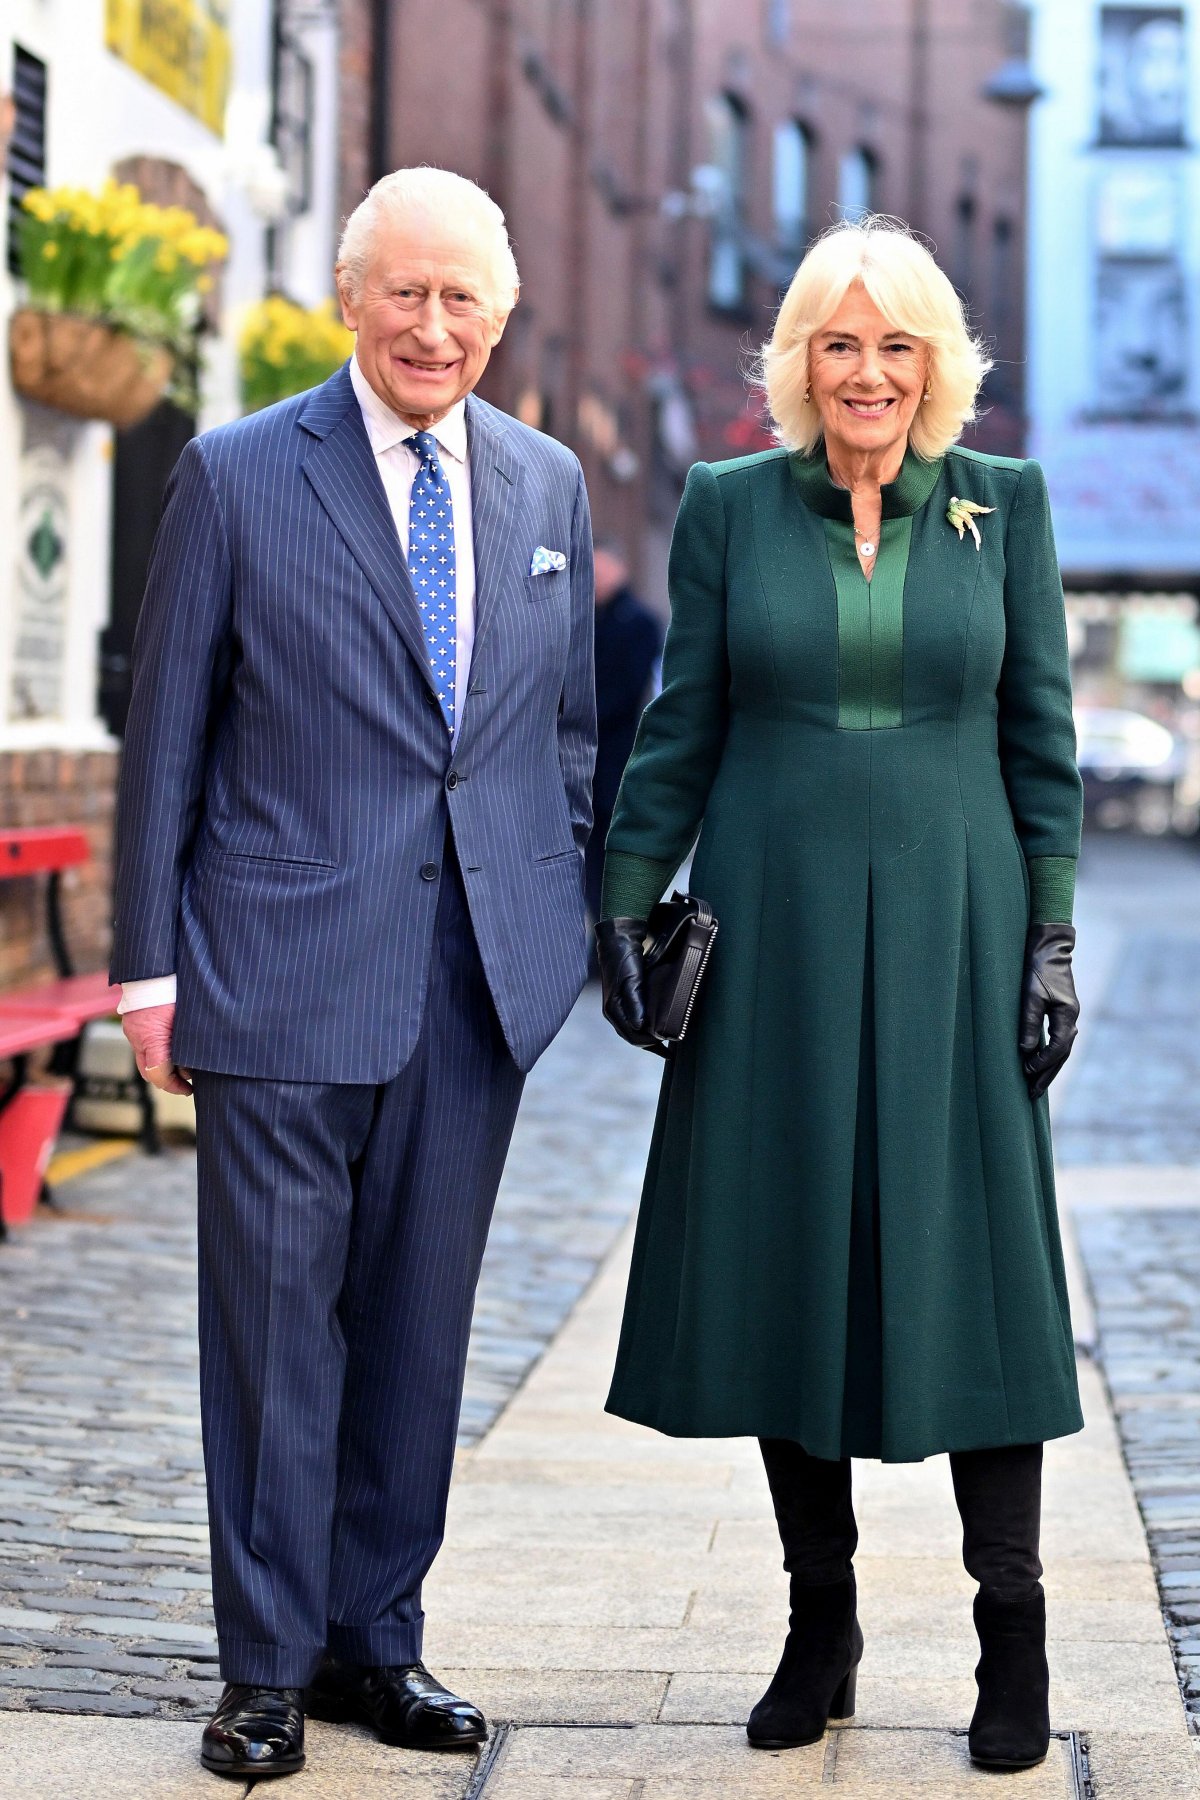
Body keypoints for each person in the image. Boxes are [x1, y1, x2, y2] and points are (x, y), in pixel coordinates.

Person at [112, 166, 595, 1781]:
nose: (436, 326)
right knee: (273, 1331)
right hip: (276, 975)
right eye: (408, 292)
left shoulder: (546, 487)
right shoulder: (240, 476)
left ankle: (373, 1644)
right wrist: (141, 972)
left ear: (502, 314)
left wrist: (557, 911)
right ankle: (261, 1668)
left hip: (474, 985)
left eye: (465, 298)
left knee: (417, 1328)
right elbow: (165, 738)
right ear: (350, 298)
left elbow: (565, 740)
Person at [596, 216, 1083, 1774]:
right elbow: (684, 724)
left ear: (937, 364)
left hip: (961, 916)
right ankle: (823, 1624)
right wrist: (621, 904)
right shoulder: (729, 505)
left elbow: (1042, 743)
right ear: (798, 364)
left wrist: (1053, 938)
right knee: (791, 1254)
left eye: (894, 343)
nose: (866, 370)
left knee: (979, 1262)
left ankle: (1015, 1631)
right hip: (778, 925)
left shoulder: (1002, 508)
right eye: (837, 342)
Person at [586, 544, 663, 928]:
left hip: (618, 755)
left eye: (600, 572)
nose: (595, 580)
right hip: (590, 758)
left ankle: (615, 932)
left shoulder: (638, 623)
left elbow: (628, 691)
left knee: (610, 851)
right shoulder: (590, 619)